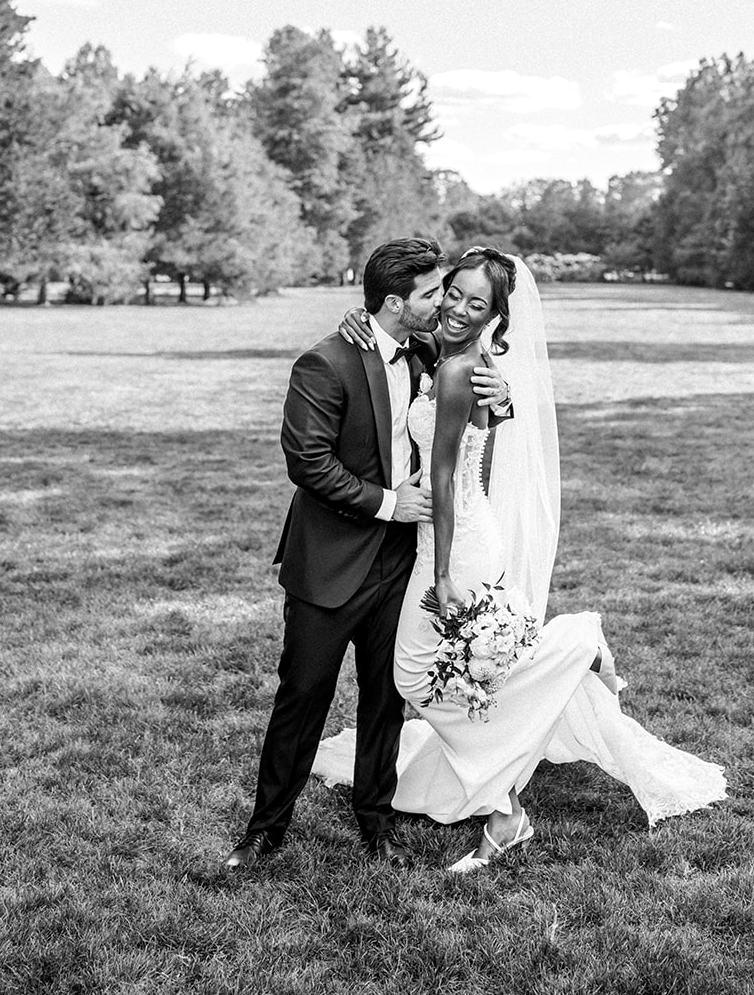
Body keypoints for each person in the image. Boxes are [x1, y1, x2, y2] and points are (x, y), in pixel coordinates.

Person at [314, 247, 726, 870]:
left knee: (416, 677)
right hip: (453, 530)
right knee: (465, 677)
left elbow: (446, 477)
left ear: (496, 317)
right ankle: (506, 805)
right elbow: (412, 343)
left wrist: (443, 572)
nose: (457, 308)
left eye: (476, 304)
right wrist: (360, 316)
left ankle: (575, 644)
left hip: (456, 540)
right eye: (452, 293)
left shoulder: (460, 371)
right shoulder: (449, 355)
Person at [226, 237, 513, 871]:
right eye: (434, 294)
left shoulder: (428, 349)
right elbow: (308, 463)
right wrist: (390, 503)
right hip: (331, 563)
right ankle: (266, 829)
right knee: (303, 696)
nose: (446, 304)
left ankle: (376, 822)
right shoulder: (325, 363)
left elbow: (476, 396)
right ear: (394, 302)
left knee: (385, 700)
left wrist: (505, 393)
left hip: (401, 563)